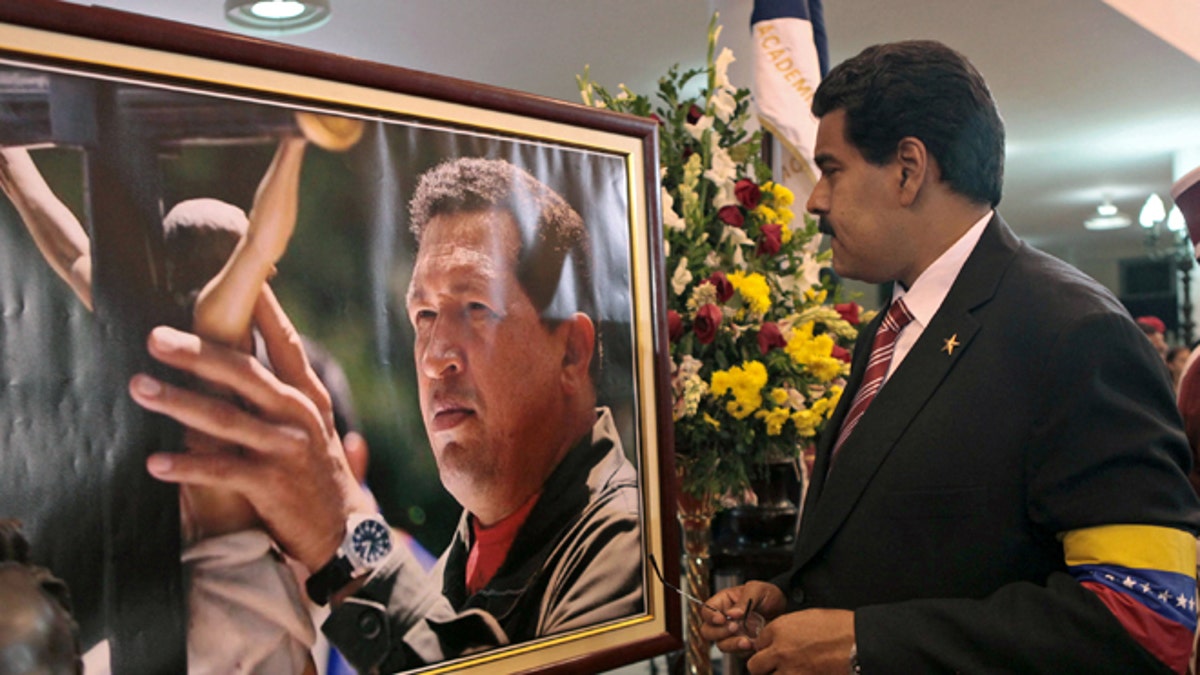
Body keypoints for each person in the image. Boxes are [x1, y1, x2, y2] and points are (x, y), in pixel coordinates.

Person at [700, 40, 1200, 674]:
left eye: (832, 169)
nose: (815, 200)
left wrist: (863, 642)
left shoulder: (1074, 331)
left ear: (909, 169)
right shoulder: (891, 328)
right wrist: (793, 603)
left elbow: (1145, 618)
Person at [128, 156, 643, 673]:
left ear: (571, 352)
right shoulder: (459, 568)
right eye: (424, 314)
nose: (436, 353)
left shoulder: (632, 551)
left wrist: (342, 531)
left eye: (477, 307)